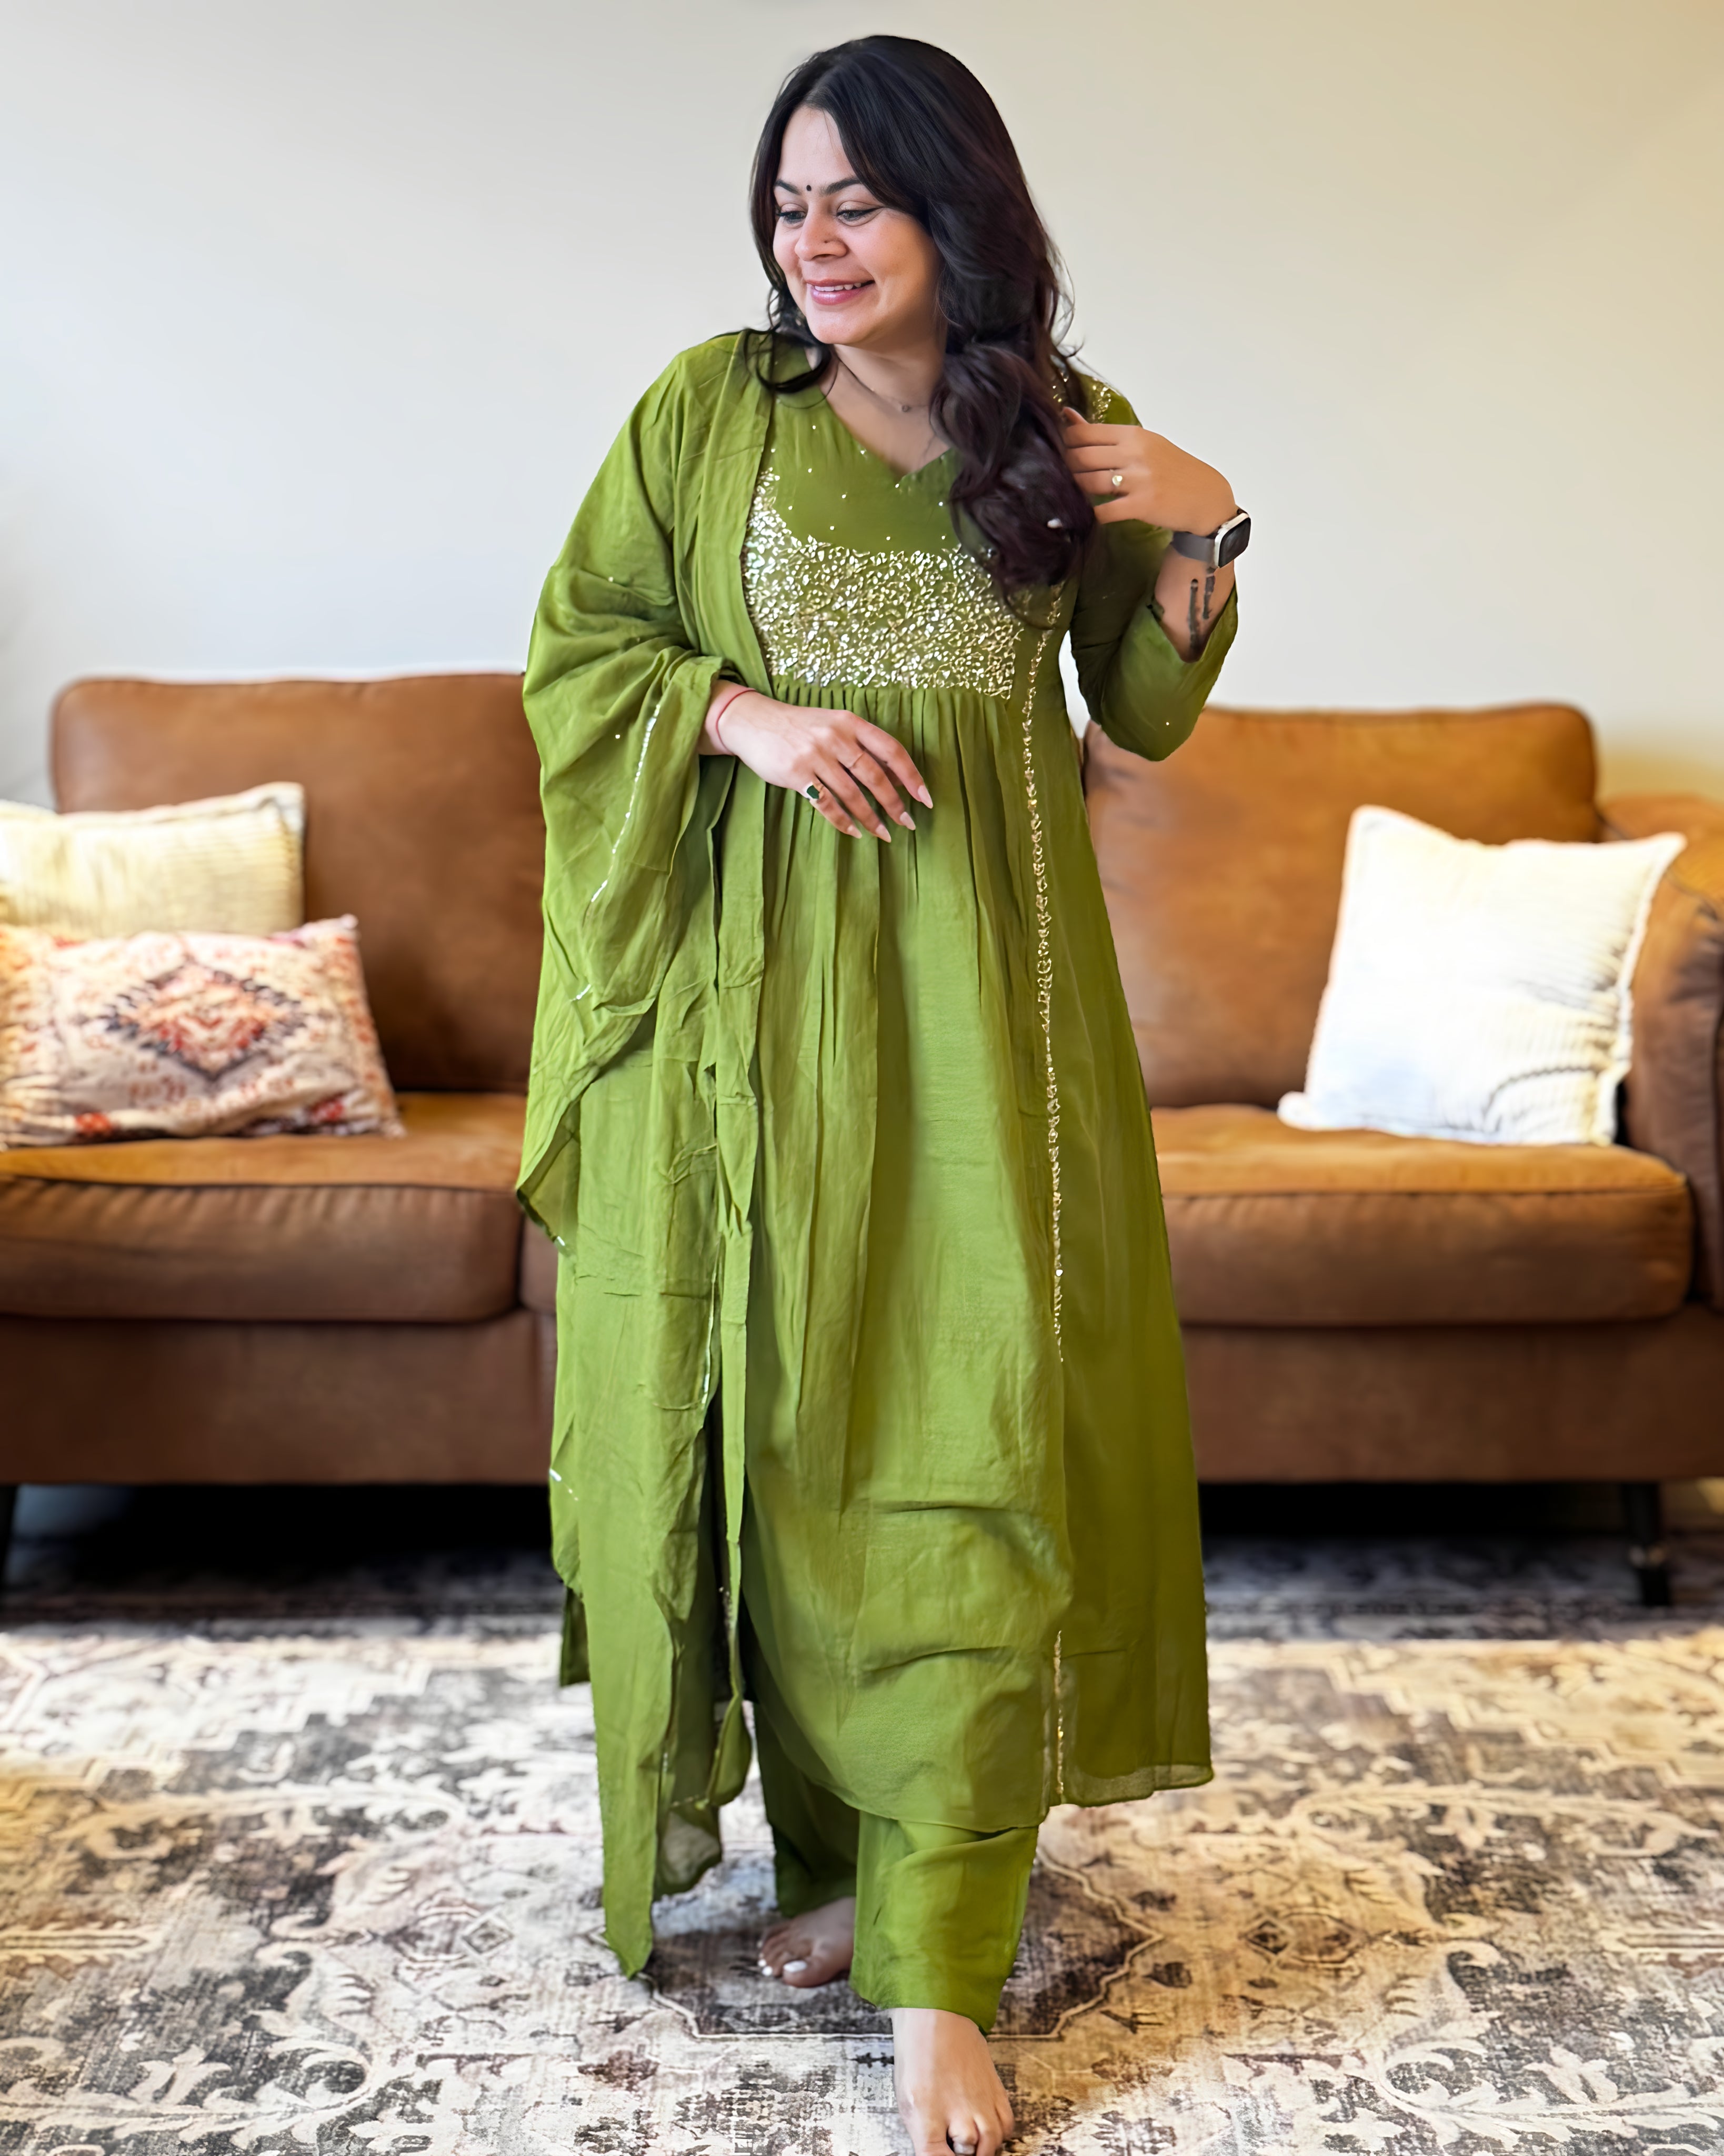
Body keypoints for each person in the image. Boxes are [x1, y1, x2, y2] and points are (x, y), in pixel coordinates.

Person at [520, 35, 1242, 2155]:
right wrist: (740, 717)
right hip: (750, 1023)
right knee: (791, 1440)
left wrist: (1196, 517)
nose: (813, 242)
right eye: (788, 204)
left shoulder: (1058, 427)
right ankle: (846, 1862)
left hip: (989, 1017)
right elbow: (581, 652)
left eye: (856, 200)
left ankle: (940, 1956)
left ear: (957, 210)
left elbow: (1143, 704)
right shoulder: (707, 413)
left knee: (968, 1442)